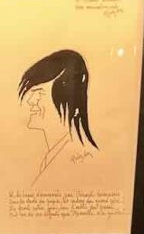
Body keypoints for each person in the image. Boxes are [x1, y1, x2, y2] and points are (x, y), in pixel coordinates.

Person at [18, 50, 96, 186]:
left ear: (68, 99)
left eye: (39, 93)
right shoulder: (50, 158)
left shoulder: (78, 162)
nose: (30, 101)